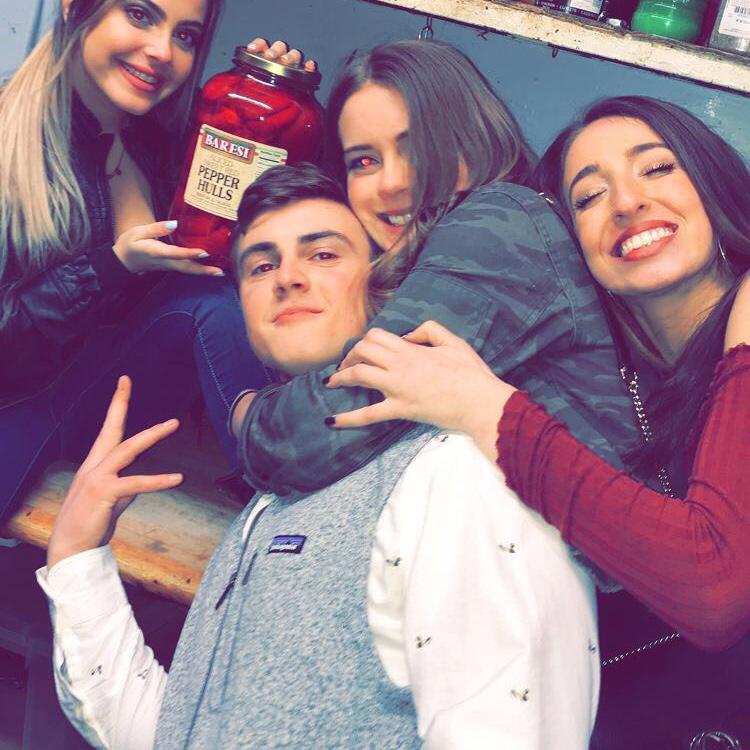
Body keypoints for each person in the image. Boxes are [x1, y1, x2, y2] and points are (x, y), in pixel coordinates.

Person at [38, 164, 601, 749]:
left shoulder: (453, 473)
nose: (287, 278)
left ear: (383, 283)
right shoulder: (271, 497)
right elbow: (185, 734)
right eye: (261, 266)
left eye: (323, 255)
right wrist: (77, 557)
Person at [324, 96, 750, 749]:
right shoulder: (618, 391)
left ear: (713, 182)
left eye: (657, 168)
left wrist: (484, 408)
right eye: (589, 197)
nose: (626, 202)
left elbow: (711, 587)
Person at [231, 40, 640, 532]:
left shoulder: (499, 226)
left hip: (589, 565)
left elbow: (309, 436)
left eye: (417, 148)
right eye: (364, 161)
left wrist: (243, 411)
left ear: (474, 136)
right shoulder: (437, 254)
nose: (391, 183)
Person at [0, 1, 289, 521]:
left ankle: (291, 501)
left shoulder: (166, 143)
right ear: (74, 7)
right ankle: (289, 499)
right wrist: (113, 266)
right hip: (16, 405)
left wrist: (271, 94)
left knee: (209, 297)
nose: (162, 51)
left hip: (104, 401)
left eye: (185, 36)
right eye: (139, 14)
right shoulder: (10, 138)